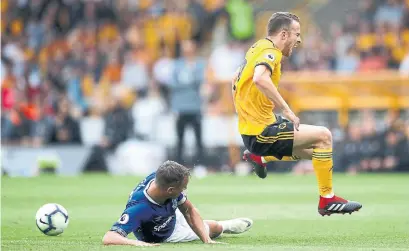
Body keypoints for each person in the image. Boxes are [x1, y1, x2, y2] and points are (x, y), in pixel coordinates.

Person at [232, 12, 362, 216]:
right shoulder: (271, 52)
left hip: (253, 130)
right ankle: (327, 199)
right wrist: (285, 109)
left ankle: (261, 158)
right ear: (284, 35)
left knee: (317, 153)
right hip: (261, 131)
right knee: (324, 136)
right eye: (297, 34)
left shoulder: (256, 47)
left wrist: (248, 111)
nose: (299, 39)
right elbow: (259, 79)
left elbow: (236, 79)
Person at [102, 161, 252, 247]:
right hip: (165, 234)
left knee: (208, 230)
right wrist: (137, 244)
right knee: (214, 227)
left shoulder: (161, 177)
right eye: (183, 187)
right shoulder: (139, 209)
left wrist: (206, 240)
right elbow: (109, 237)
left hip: (168, 210)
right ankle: (224, 226)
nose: (185, 190)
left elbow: (189, 209)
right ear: (170, 190)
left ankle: (220, 227)